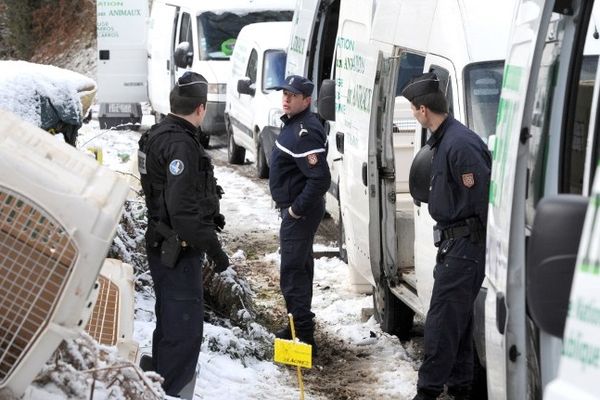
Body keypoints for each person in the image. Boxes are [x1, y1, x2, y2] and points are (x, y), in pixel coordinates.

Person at [138, 71, 229, 398]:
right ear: (201, 108)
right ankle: (170, 391)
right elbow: (183, 212)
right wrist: (216, 253)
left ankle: (159, 382)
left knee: (170, 322)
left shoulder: (159, 134)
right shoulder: (181, 144)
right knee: (184, 329)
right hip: (176, 249)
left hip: (163, 245)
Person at [402, 72, 491, 400]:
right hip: (456, 245)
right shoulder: (444, 140)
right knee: (459, 322)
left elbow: (481, 199)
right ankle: (460, 388)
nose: (414, 114)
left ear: (423, 110)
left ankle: (427, 392)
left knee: (440, 322)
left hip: (465, 246)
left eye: (413, 109)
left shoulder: (460, 144)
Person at [268, 75, 331, 354]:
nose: (286, 98)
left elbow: (319, 179)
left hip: (299, 213)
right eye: (284, 93)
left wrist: (294, 209)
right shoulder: (295, 125)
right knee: (300, 268)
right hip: (298, 212)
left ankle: (303, 337)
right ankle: (297, 325)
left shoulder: (304, 131)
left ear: (307, 100)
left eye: (292, 95)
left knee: (293, 271)